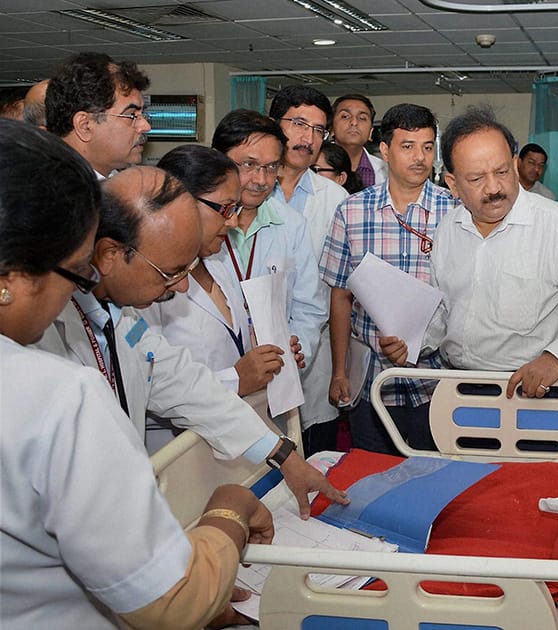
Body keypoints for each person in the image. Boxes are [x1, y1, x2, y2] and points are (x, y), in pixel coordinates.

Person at [0, 118, 274, 629]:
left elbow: (175, 376)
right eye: (77, 268)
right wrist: (230, 512)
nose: (83, 281)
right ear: (13, 276)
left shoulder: (113, 320)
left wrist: (275, 450)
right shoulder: (52, 394)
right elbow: (172, 602)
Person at [33, 164, 346, 519]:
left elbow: (185, 383)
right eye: (170, 273)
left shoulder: (124, 319)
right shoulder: (42, 335)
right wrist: (227, 523)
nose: (182, 287)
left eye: (188, 269)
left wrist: (281, 454)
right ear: (108, 255)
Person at [382, 107, 558, 400]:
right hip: (458, 388)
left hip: (534, 390)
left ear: (514, 165)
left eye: (502, 171)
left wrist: (557, 357)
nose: (494, 188)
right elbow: (445, 312)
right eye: (476, 179)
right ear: (453, 185)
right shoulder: (448, 230)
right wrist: (414, 342)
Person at [320, 103, 455, 455]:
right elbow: (340, 295)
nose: (420, 158)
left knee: (436, 477)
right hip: (372, 380)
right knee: (374, 476)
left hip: (438, 378)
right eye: (408, 146)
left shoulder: (454, 211)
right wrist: (339, 371)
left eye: (427, 147)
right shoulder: (351, 211)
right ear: (384, 150)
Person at [144, 145, 284, 397]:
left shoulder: (216, 263)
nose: (233, 222)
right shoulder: (145, 284)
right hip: (178, 435)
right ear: (182, 202)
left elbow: (232, 341)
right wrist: (235, 380)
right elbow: (149, 381)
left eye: (236, 210)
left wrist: (267, 353)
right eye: (226, 209)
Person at [209, 109, 327, 378]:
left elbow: (309, 306)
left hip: (276, 374)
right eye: (249, 165)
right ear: (218, 160)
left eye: (272, 167)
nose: (261, 180)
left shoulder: (292, 224)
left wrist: (297, 348)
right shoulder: (196, 222)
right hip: (212, 373)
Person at [268, 85, 349, 454]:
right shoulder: (248, 190)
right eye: (299, 124)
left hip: (313, 364)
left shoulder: (335, 200)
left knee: (316, 462)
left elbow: (338, 288)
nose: (309, 138)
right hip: (254, 357)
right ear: (274, 125)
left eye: (319, 130)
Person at [45, 52, 151, 179]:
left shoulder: (118, 185)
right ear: (85, 126)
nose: (146, 126)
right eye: (132, 115)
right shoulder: (47, 192)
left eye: (142, 114)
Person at [331, 93, 386, 188]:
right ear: (331, 128)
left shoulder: (387, 171)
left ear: (370, 132)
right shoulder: (313, 168)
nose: (354, 122)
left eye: (362, 118)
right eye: (345, 116)